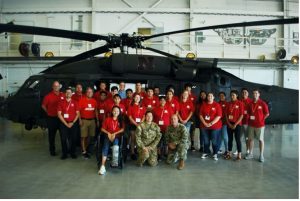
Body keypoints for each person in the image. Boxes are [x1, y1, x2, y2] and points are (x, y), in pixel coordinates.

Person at [98, 106, 125, 175]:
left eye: (117, 111)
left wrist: (114, 133)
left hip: (116, 137)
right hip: (108, 136)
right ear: (112, 111)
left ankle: (114, 162)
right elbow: (102, 129)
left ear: (119, 112)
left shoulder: (121, 120)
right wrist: (109, 133)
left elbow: (122, 129)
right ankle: (103, 166)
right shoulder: (107, 119)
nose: (116, 112)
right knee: (105, 147)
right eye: (114, 111)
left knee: (116, 144)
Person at [245, 89, 269, 162]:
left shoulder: (262, 103)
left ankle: (261, 155)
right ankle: (251, 154)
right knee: (250, 139)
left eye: (256, 93)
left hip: (260, 125)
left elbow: (267, 113)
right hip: (251, 125)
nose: (255, 95)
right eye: (253, 93)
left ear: (259, 94)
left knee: (260, 140)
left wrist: (261, 119)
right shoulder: (250, 103)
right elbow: (248, 113)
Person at [42, 81, 65, 156]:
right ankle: (52, 151)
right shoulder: (48, 96)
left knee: (63, 135)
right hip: (52, 119)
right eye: (55, 86)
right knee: (51, 136)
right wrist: (48, 111)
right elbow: (43, 106)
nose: (56, 87)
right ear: (52, 87)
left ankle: (64, 151)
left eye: (57, 86)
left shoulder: (63, 95)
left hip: (61, 119)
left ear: (59, 87)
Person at [57, 88, 80, 159]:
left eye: (69, 92)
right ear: (65, 94)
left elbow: (78, 114)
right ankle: (64, 153)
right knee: (63, 139)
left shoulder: (75, 102)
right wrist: (66, 124)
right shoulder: (61, 102)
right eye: (66, 92)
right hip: (63, 123)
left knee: (74, 138)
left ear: (72, 93)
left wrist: (72, 122)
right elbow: (59, 114)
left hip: (73, 123)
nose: (68, 94)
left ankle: (73, 152)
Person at [199, 92, 222, 161]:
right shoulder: (203, 105)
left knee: (214, 141)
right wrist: (205, 123)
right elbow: (200, 115)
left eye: (211, 96)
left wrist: (211, 123)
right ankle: (206, 152)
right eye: (208, 96)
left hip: (215, 126)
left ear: (213, 97)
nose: (209, 97)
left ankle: (215, 153)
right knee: (206, 140)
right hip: (204, 126)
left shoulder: (217, 105)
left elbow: (219, 116)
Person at [78, 87, 98, 159]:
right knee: (83, 136)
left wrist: (97, 120)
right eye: (88, 92)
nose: (89, 93)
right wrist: (79, 120)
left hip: (92, 120)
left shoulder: (94, 101)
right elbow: (78, 111)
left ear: (92, 93)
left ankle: (86, 149)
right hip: (84, 120)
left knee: (90, 136)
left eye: (91, 92)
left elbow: (95, 111)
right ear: (86, 93)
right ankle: (84, 151)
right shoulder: (81, 100)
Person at [224, 90, 244, 161]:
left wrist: (235, 124)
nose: (232, 96)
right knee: (230, 139)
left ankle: (239, 154)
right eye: (231, 95)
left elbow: (241, 115)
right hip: (229, 124)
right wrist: (229, 123)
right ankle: (229, 153)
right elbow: (226, 115)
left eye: (233, 95)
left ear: (237, 96)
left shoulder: (240, 103)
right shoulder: (228, 104)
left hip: (237, 124)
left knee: (237, 139)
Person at [152, 96, 173, 160]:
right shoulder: (155, 109)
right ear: (159, 101)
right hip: (158, 129)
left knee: (166, 141)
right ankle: (159, 154)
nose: (162, 101)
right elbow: (153, 119)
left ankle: (166, 153)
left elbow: (171, 118)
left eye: (164, 100)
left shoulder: (169, 108)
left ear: (165, 101)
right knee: (158, 142)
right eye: (161, 100)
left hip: (166, 128)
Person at [127, 94, 146, 160]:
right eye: (136, 97)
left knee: (139, 139)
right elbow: (129, 117)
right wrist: (136, 124)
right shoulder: (130, 106)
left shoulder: (142, 106)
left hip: (140, 125)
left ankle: (138, 151)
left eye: (138, 97)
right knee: (133, 139)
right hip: (133, 124)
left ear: (140, 98)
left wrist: (140, 123)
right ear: (134, 98)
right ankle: (132, 152)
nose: (137, 98)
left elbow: (144, 116)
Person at [240, 88, 252, 155]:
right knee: (239, 137)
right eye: (243, 92)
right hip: (239, 122)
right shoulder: (239, 101)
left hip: (247, 123)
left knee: (246, 138)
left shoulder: (250, 101)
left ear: (248, 94)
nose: (244, 93)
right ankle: (238, 150)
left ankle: (247, 150)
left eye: (245, 92)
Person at [218, 91, 229, 156]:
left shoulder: (227, 104)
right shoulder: (217, 103)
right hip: (218, 123)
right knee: (220, 137)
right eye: (220, 96)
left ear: (225, 97)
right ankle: (219, 149)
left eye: (222, 96)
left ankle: (227, 150)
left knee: (225, 137)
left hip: (225, 123)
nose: (221, 97)